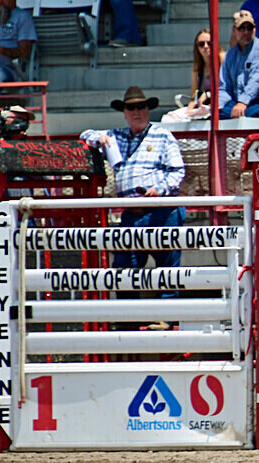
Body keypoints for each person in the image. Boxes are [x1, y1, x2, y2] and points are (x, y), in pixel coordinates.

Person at [80, 86, 186, 325]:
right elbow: (85, 134)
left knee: (165, 264)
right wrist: (98, 138)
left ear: (148, 109)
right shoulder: (115, 136)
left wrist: (158, 190)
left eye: (141, 106)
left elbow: (177, 172)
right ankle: (128, 319)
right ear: (125, 112)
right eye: (131, 107)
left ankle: (167, 319)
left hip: (161, 208)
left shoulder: (163, 135)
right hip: (132, 211)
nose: (137, 111)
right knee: (124, 266)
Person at [219, 10, 259, 119]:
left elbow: (257, 81)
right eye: (241, 28)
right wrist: (217, 105)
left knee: (250, 113)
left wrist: (242, 103)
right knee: (216, 114)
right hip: (240, 102)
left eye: (250, 28)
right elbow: (224, 87)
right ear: (234, 30)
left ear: (255, 28)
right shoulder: (230, 54)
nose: (246, 32)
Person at [162, 29, 226, 123]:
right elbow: (194, 95)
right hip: (202, 106)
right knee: (168, 118)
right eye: (201, 44)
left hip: (220, 103)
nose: (205, 46)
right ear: (197, 46)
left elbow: (227, 87)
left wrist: (208, 94)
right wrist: (190, 109)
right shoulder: (197, 65)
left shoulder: (223, 58)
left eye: (209, 43)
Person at [0, 0, 36, 83]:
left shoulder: (23, 17)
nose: (0, 1)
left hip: (7, 68)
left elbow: (24, 53)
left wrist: (0, 50)